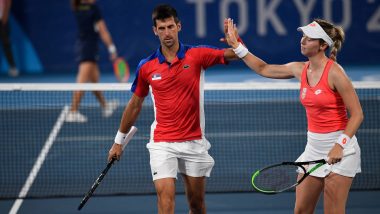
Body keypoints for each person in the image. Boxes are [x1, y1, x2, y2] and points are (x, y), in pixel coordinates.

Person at [108, 4, 239, 214]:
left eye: (170, 27)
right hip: (162, 142)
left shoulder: (197, 55)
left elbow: (235, 54)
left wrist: (237, 43)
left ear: (179, 26)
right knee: (165, 201)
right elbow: (134, 105)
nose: (167, 33)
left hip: (193, 141)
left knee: (197, 205)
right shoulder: (147, 66)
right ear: (155, 31)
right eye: (162, 28)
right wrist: (118, 141)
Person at [225, 18, 363, 213]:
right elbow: (264, 69)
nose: (303, 41)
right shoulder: (300, 69)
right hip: (313, 150)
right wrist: (238, 46)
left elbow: (357, 114)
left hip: (341, 151)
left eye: (309, 38)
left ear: (323, 45)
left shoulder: (335, 73)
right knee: (301, 211)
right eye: (303, 37)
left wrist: (339, 146)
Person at [66, 0, 118, 123]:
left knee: (94, 81)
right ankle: (73, 111)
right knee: (82, 81)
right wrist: (111, 48)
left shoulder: (76, 6)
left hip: (83, 46)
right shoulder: (93, 8)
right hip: (89, 48)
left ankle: (105, 106)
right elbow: (103, 30)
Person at [0, 0, 18, 77]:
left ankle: (13, 68)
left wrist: (5, 16)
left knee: (6, 44)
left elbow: (8, 2)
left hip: (2, 20)